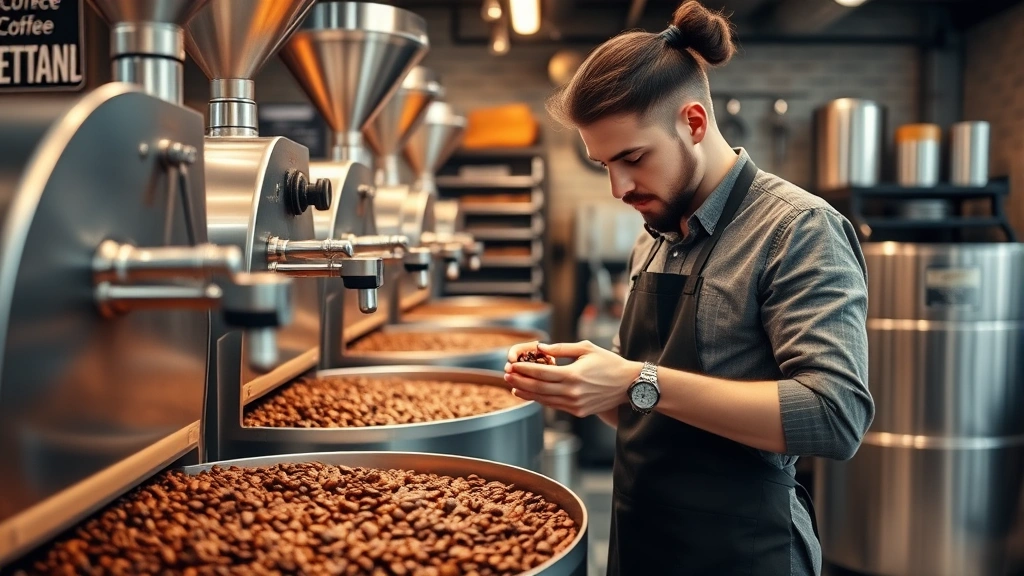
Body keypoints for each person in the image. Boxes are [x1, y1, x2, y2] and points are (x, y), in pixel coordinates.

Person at [504, 2, 875, 574]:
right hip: (642, 540)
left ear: (694, 123)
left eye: (632, 158)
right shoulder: (653, 233)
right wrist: (585, 384)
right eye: (603, 163)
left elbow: (835, 414)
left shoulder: (796, 229)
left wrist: (634, 378)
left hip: (743, 550)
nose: (617, 188)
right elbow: (647, 411)